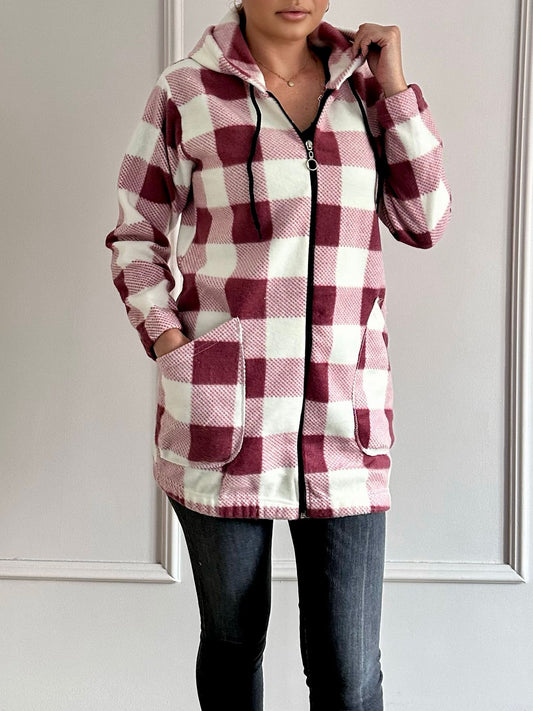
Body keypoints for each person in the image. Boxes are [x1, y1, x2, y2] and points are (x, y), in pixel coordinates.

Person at [105, 1, 452, 708]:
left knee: (349, 674)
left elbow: (424, 220)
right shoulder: (186, 90)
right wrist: (170, 343)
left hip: (345, 421)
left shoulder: (365, 88)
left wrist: (395, 89)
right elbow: (136, 233)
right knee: (234, 648)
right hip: (224, 415)